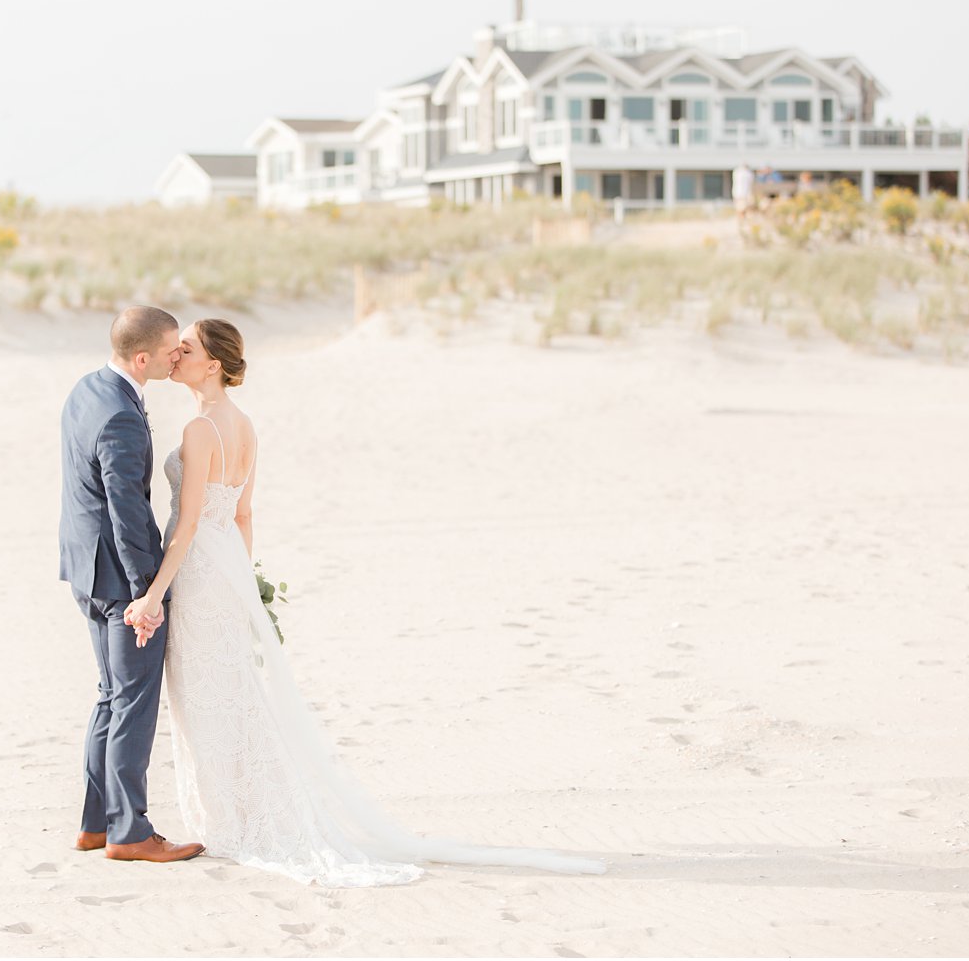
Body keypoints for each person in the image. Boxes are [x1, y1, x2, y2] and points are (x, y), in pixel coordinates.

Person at [122, 318, 609, 887]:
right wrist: (244, 583)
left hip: (202, 570)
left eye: (187, 349)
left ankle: (229, 821)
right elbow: (243, 515)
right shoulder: (247, 427)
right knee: (231, 692)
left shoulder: (202, 430)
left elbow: (185, 526)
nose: (175, 355)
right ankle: (238, 814)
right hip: (225, 567)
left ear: (212, 365)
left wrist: (155, 593)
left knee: (207, 695)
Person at [58, 306, 205, 864]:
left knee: (110, 695)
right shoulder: (119, 415)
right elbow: (125, 510)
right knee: (134, 703)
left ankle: (97, 824)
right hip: (120, 578)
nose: (178, 355)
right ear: (142, 358)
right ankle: (129, 832)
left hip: (84, 567)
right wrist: (147, 593)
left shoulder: (88, 388)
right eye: (172, 349)